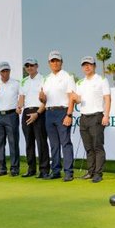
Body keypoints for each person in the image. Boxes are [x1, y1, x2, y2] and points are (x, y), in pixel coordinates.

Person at [72, 56, 111, 183]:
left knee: (97, 146)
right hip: (83, 117)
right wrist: (74, 98)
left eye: (89, 64)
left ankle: (98, 173)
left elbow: (107, 98)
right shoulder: (79, 83)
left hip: (97, 116)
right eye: (84, 65)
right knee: (88, 147)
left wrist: (106, 115)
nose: (87, 67)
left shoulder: (101, 80)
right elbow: (78, 100)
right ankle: (91, 171)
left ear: (94, 66)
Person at [39, 50, 76, 181]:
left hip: (63, 111)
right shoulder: (46, 79)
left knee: (65, 143)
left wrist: (69, 115)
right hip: (49, 112)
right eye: (52, 61)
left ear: (61, 62)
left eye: (57, 60)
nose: (55, 63)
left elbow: (71, 98)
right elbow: (44, 100)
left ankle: (68, 172)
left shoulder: (67, 76)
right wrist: (41, 98)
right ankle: (55, 171)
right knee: (54, 144)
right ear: (49, 63)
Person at [18, 57, 50, 178]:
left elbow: (46, 100)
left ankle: (44, 170)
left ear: (37, 66)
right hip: (26, 112)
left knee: (41, 142)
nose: (29, 68)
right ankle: (31, 169)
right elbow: (22, 97)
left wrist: (37, 113)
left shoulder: (43, 79)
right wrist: (19, 107)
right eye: (27, 66)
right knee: (29, 142)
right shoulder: (24, 81)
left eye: (32, 65)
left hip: (39, 112)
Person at [0, 62, 20, 176]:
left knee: (13, 142)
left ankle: (14, 168)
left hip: (11, 115)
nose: (5, 73)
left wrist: (19, 106)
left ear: (10, 71)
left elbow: (21, 97)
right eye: (3, 71)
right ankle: (2, 168)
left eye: (7, 70)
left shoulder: (16, 83)